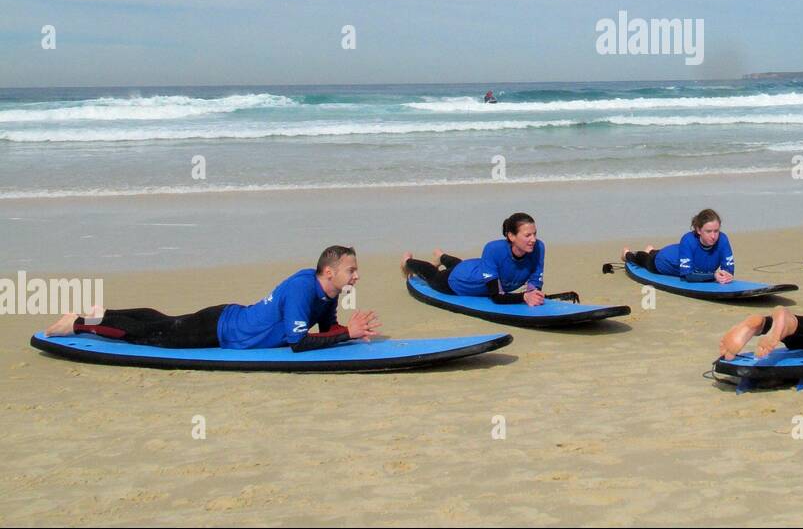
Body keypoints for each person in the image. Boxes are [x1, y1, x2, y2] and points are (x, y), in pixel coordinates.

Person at [43, 246, 381, 351]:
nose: (356, 276)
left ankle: (103, 312)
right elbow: (298, 341)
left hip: (227, 316)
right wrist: (346, 335)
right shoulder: (302, 289)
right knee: (153, 335)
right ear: (328, 272)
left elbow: (326, 327)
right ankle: (77, 323)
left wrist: (346, 330)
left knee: (163, 320)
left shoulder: (325, 292)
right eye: (351, 270)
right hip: (220, 330)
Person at [403, 212, 549, 306]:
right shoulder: (493, 249)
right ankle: (407, 261)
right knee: (433, 276)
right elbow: (496, 296)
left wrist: (532, 293)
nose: (533, 239)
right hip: (459, 282)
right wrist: (524, 297)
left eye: (534, 234)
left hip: (473, 267)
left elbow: (535, 281)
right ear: (511, 236)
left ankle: (441, 256)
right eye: (527, 235)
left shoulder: (538, 248)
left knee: (458, 264)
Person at [622, 208, 735, 284]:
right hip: (662, 261)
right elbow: (688, 275)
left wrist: (727, 274)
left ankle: (651, 250)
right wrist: (714, 275)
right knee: (645, 260)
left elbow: (729, 270)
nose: (714, 236)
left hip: (678, 252)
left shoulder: (723, 240)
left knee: (660, 252)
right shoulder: (688, 240)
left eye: (716, 231)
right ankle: (627, 254)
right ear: (698, 230)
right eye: (709, 231)